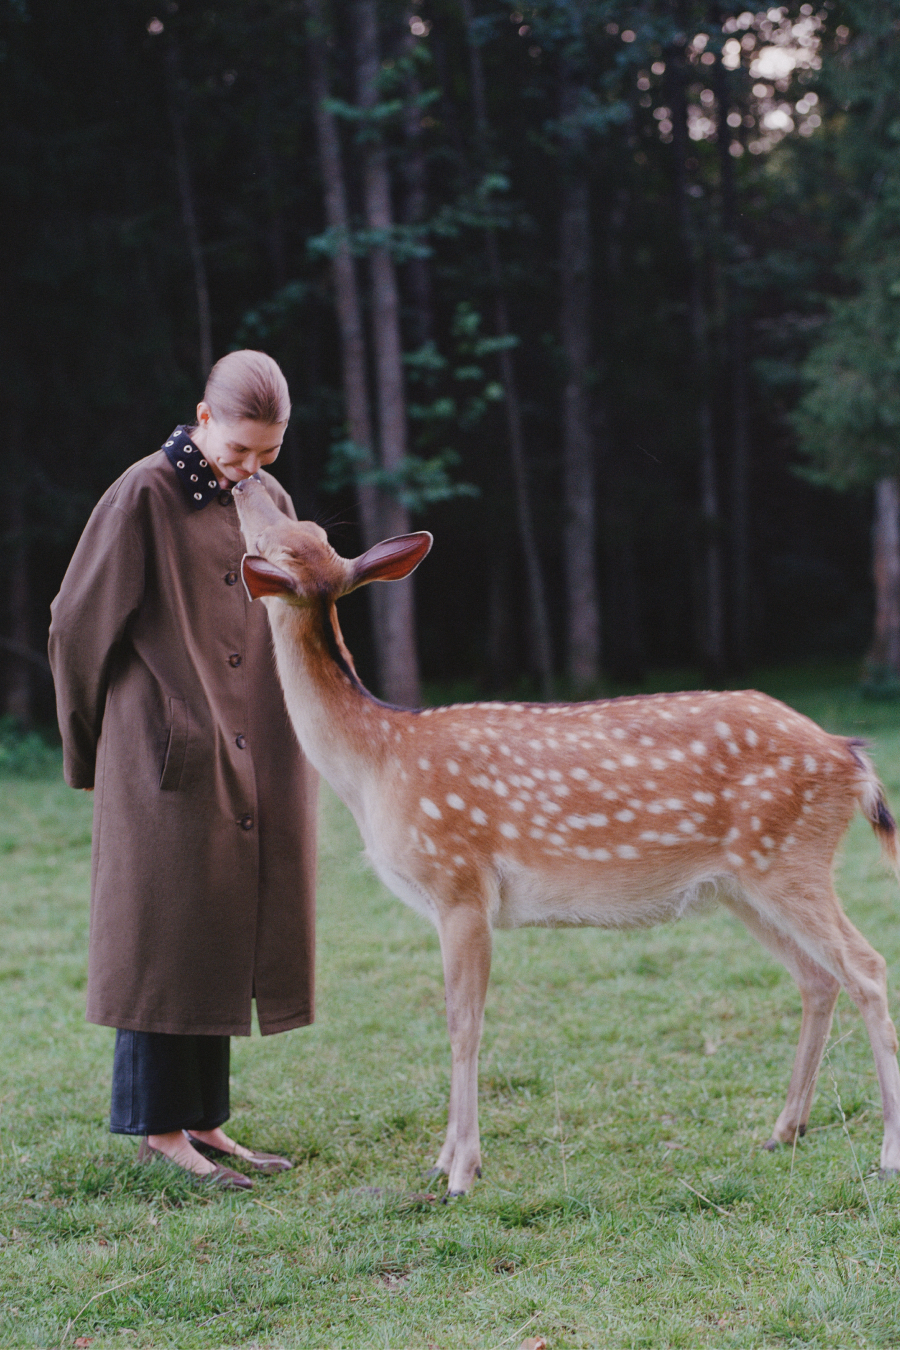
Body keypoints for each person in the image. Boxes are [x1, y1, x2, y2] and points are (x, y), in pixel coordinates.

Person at [48, 350, 317, 1190]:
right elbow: (74, 626)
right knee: (161, 934)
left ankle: (206, 1123)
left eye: (267, 453)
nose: (250, 468)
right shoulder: (142, 493)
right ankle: (160, 1134)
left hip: (252, 741)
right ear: (202, 417)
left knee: (216, 923)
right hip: (162, 743)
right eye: (238, 450)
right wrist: (91, 747)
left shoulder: (268, 498)